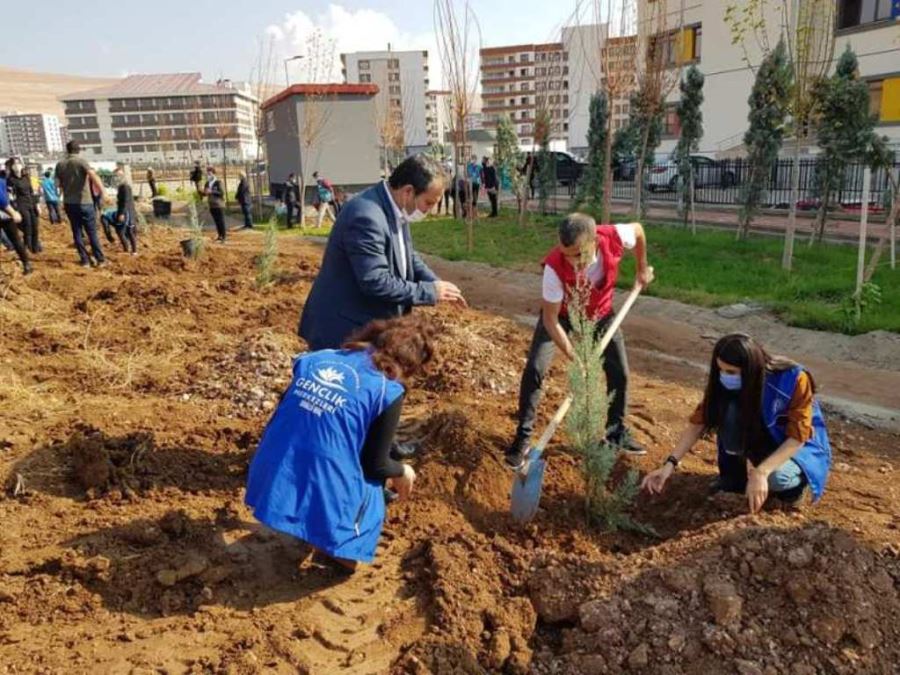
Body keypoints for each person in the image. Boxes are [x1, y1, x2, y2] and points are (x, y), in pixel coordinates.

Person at [245, 315, 436, 572]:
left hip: (272, 464)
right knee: (371, 487)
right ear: (411, 365)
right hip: (317, 469)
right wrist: (403, 471)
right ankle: (336, 547)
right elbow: (374, 464)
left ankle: (300, 509)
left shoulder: (318, 357)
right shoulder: (386, 389)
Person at [506, 213, 654, 469]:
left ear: (593, 241)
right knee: (535, 368)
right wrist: (577, 358)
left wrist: (642, 268)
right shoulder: (554, 268)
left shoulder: (614, 237)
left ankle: (615, 432)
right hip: (562, 315)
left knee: (620, 372)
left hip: (600, 312)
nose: (569, 260)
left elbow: (639, 230)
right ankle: (523, 438)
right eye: (564, 253)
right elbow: (551, 321)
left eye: (575, 254)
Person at [642, 333, 832, 513]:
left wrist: (761, 472)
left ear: (750, 369)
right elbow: (698, 423)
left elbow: (797, 438)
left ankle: (793, 490)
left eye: (731, 371)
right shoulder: (725, 384)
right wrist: (669, 465)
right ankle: (734, 479)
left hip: (796, 450)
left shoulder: (793, 379)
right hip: (759, 440)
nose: (725, 376)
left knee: (777, 478)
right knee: (728, 410)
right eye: (721, 370)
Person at [299, 154, 466, 352]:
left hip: (368, 327)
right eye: (428, 203)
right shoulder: (366, 216)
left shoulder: (395, 207)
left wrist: (437, 284)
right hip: (344, 333)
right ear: (408, 191)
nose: (429, 210)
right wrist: (429, 292)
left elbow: (407, 255)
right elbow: (375, 281)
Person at [55, 141, 107, 267]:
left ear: (67, 150)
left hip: (69, 203)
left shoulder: (60, 164)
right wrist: (103, 192)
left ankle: (85, 260)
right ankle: (100, 259)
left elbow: (57, 184)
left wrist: (62, 197)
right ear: (78, 150)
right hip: (84, 202)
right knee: (91, 232)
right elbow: (93, 175)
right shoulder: (81, 161)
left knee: (77, 232)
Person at [5, 158, 40, 253]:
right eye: (14, 164)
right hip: (21, 205)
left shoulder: (26, 177)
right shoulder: (10, 180)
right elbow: (10, 196)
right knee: (27, 226)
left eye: (18, 163)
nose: (17, 166)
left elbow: (32, 191)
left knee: (35, 226)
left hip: (31, 203)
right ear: (11, 167)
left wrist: (37, 204)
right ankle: (27, 248)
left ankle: (35, 247)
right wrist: (15, 209)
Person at [0, 168, 31, 275]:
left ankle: (26, 263)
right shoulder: (3, 180)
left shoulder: (3, 181)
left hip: (5, 214)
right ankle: (27, 263)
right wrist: (13, 212)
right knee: (16, 240)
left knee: (16, 240)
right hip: (6, 214)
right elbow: (2, 199)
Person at [114, 166, 137, 254]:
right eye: (116, 176)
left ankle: (133, 250)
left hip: (127, 212)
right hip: (124, 211)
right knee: (126, 231)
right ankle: (128, 249)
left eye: (118, 175)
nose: (117, 178)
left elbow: (125, 201)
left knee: (126, 231)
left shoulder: (125, 187)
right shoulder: (121, 186)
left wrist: (122, 213)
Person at [203, 166, 227, 242]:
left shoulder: (218, 182)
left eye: (210, 173)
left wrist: (212, 191)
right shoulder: (207, 183)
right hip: (211, 205)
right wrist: (203, 192)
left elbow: (221, 193)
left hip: (219, 205)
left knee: (221, 221)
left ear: (213, 173)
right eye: (207, 173)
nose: (208, 175)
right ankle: (219, 235)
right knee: (216, 221)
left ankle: (223, 236)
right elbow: (205, 193)